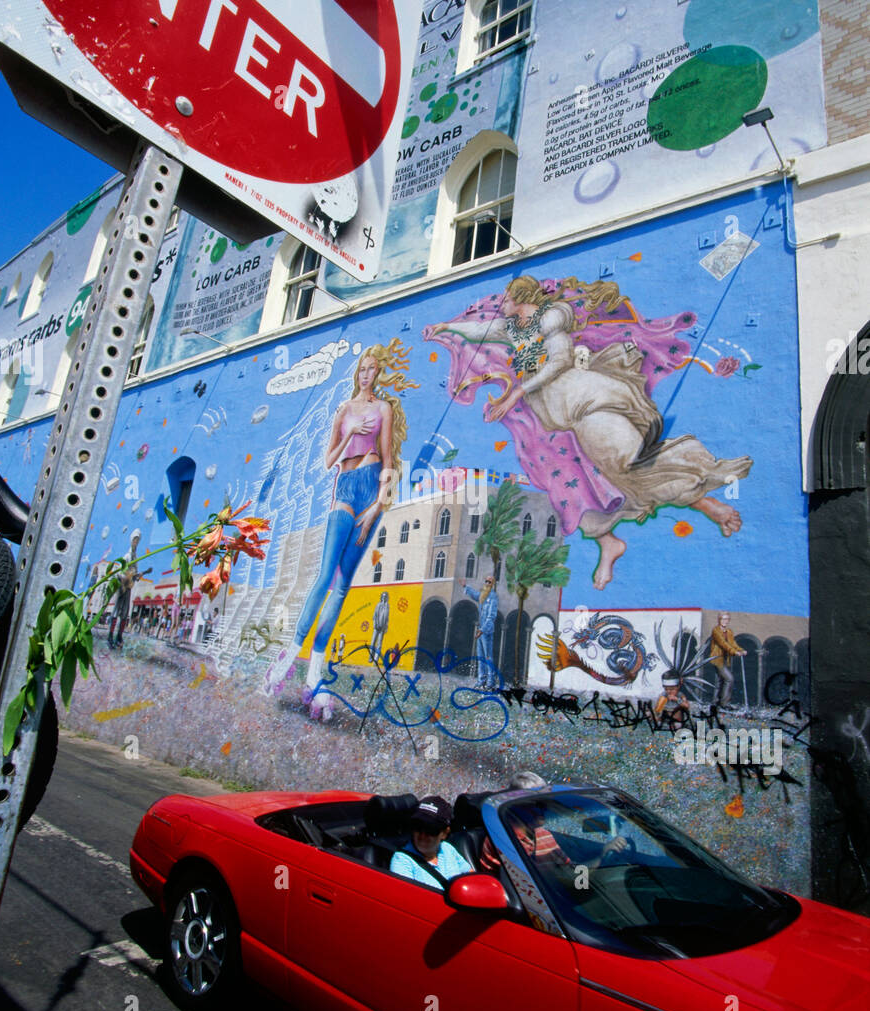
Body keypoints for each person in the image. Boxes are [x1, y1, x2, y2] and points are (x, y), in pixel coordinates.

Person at [427, 276, 751, 590]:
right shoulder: (512, 328)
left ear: (522, 300)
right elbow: (479, 330)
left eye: (508, 299)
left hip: (582, 399)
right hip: (557, 418)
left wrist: (516, 392)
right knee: (572, 483)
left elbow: (560, 361)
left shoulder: (550, 321)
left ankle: (703, 498)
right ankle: (608, 540)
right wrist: (444, 327)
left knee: (626, 466)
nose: (503, 305)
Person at [264, 340, 417, 718]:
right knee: (323, 578)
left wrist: (379, 505)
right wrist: (350, 434)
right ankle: (286, 662)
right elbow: (328, 460)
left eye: (372, 369)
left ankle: (314, 671)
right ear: (357, 373)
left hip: (371, 492)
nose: (366, 374)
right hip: (345, 488)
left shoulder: (383, 408)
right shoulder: (344, 409)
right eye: (362, 369)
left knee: (343, 585)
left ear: (378, 373)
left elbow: (388, 456)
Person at [390, 797, 474, 890]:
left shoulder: (448, 849)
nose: (423, 835)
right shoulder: (402, 860)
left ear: (444, 833)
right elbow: (406, 898)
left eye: (431, 829)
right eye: (418, 827)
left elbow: (472, 877)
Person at [463, 574, 498, 688]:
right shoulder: (483, 595)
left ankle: (490, 682)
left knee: (488, 657)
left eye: (489, 582)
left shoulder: (493, 597)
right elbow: (475, 595)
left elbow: (491, 617)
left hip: (486, 631)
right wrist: (465, 587)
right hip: (480, 630)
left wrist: (482, 630)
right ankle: (481, 680)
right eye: (486, 581)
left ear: (492, 585)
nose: (487, 584)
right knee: (480, 657)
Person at [108, 530, 142, 649]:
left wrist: (137, 576)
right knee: (116, 610)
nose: (136, 542)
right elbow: (120, 572)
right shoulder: (127, 557)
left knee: (125, 612)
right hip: (122, 586)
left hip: (128, 588)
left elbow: (135, 574)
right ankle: (110, 636)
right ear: (131, 540)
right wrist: (125, 579)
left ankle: (119, 636)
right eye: (134, 540)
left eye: (137, 540)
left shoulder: (135, 558)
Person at [710, 611, 747, 708]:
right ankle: (724, 703)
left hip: (726, 659)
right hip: (717, 659)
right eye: (723, 619)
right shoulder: (716, 631)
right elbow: (723, 644)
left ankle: (715, 702)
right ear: (719, 620)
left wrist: (741, 650)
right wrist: (734, 652)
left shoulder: (729, 632)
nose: (725, 621)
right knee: (729, 679)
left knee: (720, 680)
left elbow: (732, 643)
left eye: (727, 619)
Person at [370, 589, 390, 663]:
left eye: (385, 597)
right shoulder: (378, 605)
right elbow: (374, 615)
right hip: (376, 626)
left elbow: (387, 617)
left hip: (382, 626)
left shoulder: (387, 606)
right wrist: (375, 624)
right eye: (383, 596)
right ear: (381, 597)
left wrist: (386, 626)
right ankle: (370, 657)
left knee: (379, 643)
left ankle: (376, 658)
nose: (384, 598)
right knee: (373, 642)